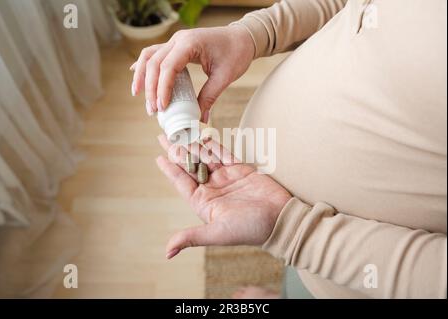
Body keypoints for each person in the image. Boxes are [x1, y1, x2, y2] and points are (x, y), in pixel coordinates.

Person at [131, 0, 447, 298]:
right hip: (292, 230)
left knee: (312, 287)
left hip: (355, 278)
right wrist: (251, 34)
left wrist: (296, 233)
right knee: (296, 281)